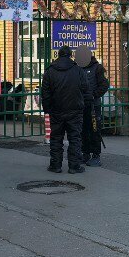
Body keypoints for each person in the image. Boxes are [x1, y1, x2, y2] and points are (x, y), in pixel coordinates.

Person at [41, 45, 91, 174]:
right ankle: (74, 166)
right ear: (70, 55)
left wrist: (47, 109)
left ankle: (55, 165)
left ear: (58, 55)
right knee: (75, 138)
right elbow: (86, 89)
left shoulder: (50, 71)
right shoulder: (78, 70)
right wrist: (84, 106)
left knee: (56, 138)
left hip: (56, 110)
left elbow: (45, 93)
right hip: (75, 110)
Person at [74, 47, 109, 167]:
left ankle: (96, 156)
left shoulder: (97, 68)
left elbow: (104, 85)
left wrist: (94, 95)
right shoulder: (76, 68)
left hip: (93, 106)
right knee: (82, 130)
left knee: (94, 130)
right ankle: (85, 153)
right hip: (80, 105)